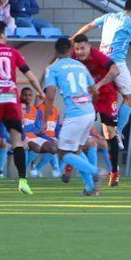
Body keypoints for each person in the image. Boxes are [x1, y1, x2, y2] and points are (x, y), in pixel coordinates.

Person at [72, 0, 131, 143]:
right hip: (116, 63)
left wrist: (73, 39)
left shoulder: (109, 16)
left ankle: (87, 123)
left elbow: (89, 26)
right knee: (130, 98)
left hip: (101, 60)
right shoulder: (130, 22)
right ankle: (118, 131)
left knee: (103, 96)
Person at [0, 20, 45, 196]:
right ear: (3, 34)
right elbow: (30, 75)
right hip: (11, 98)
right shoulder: (12, 52)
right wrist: (39, 92)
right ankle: (22, 181)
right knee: (17, 141)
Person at [44, 37, 104, 196]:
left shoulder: (53, 68)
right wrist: (89, 107)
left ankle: (95, 171)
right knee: (76, 151)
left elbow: (50, 96)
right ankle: (90, 189)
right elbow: (95, 91)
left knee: (63, 153)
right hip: (89, 111)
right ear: (71, 50)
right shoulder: (80, 66)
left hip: (75, 114)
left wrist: (45, 120)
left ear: (56, 51)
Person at [72, 35, 122, 186]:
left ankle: (114, 172)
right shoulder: (74, 59)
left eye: (82, 48)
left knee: (109, 135)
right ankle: (76, 164)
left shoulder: (97, 56)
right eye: (77, 49)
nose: (80, 52)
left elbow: (115, 71)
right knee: (81, 130)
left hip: (107, 96)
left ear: (88, 46)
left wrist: (98, 85)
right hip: (90, 98)